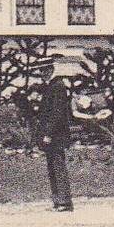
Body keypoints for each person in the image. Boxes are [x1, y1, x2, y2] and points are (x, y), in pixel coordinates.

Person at [35, 59, 75, 212]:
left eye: (45, 70)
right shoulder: (50, 87)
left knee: (58, 167)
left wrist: (49, 133)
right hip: (50, 134)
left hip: (56, 135)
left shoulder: (57, 86)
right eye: (41, 70)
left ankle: (64, 202)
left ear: (51, 70)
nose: (42, 73)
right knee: (52, 166)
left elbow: (57, 113)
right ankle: (58, 201)